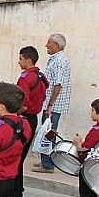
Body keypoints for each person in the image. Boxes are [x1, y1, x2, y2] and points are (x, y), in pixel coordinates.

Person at [10, 46, 48, 197]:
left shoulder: (25, 78)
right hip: (33, 118)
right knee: (20, 155)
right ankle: (15, 190)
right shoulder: (41, 77)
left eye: (20, 59)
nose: (19, 62)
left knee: (14, 156)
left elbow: (23, 103)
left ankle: (15, 192)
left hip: (23, 118)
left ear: (28, 60)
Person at [34, 33, 71, 174]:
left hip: (54, 105)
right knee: (47, 131)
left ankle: (48, 164)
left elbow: (58, 84)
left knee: (49, 133)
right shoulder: (56, 59)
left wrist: (50, 104)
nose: (46, 45)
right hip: (51, 103)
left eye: (49, 42)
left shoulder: (60, 61)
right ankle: (45, 160)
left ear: (56, 45)